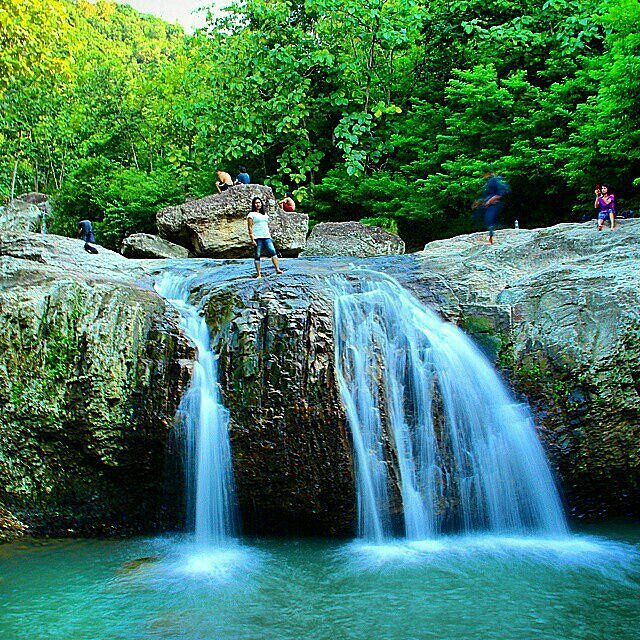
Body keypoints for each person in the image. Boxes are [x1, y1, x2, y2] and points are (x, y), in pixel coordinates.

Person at [247, 196, 284, 278]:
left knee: (272, 251)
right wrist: (252, 238)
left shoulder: (264, 214)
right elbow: (250, 227)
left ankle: (277, 269)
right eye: (256, 203)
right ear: (253, 204)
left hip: (266, 235)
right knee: (257, 254)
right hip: (257, 236)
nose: (258, 204)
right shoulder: (251, 214)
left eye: (259, 202)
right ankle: (259, 274)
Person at [480, 169, 510, 245]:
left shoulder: (495, 180)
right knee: (488, 221)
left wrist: (490, 201)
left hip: (495, 204)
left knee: (490, 221)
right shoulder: (489, 181)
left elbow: (500, 193)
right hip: (490, 204)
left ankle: (492, 239)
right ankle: (491, 238)